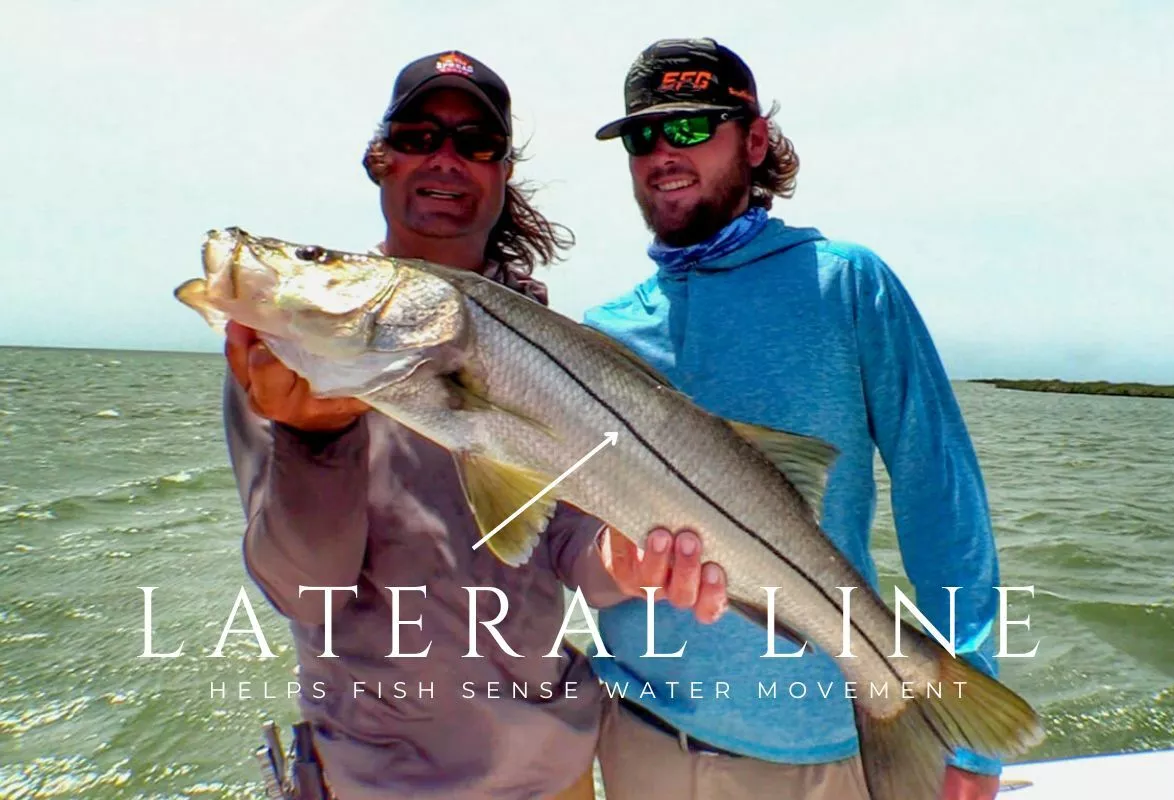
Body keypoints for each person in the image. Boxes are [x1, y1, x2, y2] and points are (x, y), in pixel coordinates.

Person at [221, 50, 727, 800]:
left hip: (559, 775)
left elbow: (561, 541)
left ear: (502, 174)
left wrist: (624, 566)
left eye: (476, 143)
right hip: (377, 783)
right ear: (381, 159)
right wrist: (314, 439)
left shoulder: (551, 346)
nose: (446, 159)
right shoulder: (287, 361)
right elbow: (306, 591)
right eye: (420, 135)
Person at [582, 37, 1006, 800]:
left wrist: (967, 730)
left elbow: (942, 505)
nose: (660, 154)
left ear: (755, 140)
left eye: (689, 128)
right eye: (642, 135)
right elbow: (573, 541)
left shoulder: (849, 285)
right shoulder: (603, 333)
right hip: (645, 744)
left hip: (829, 750)